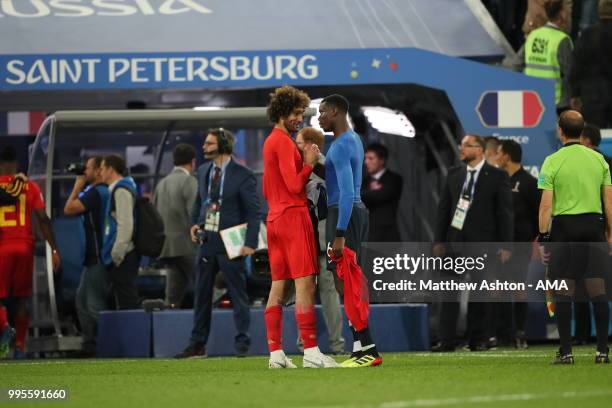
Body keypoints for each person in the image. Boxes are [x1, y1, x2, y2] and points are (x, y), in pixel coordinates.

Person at [263, 85, 338, 369]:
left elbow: (270, 185)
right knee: (306, 284)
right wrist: (308, 164)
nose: (299, 119)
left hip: (275, 219)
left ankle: (276, 355)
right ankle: (311, 352)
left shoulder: (271, 142)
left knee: (278, 286)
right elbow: (296, 184)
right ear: (282, 112)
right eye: (296, 113)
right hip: (294, 218)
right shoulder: (282, 142)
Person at [175, 128, 260, 358]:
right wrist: (195, 223)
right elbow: (199, 203)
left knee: (238, 295)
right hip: (207, 241)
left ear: (223, 145)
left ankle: (242, 341)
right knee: (201, 295)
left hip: (232, 242)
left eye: (209, 144)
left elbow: (254, 213)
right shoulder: (203, 171)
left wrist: (250, 243)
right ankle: (197, 344)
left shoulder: (243, 174)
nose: (204, 148)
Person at [537, 110, 610, 364]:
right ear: (582, 130)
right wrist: (610, 233)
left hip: (565, 229)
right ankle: (602, 351)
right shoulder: (599, 160)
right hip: (593, 226)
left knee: (564, 290)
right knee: (597, 288)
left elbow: (546, 206)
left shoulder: (552, 161)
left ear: (560, 130)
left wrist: (544, 237)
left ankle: (566, 352)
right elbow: (608, 200)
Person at [432, 135, 513, 352]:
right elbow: (443, 209)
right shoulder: (454, 174)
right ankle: (446, 340)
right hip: (454, 243)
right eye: (461, 144)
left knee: (479, 293)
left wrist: (505, 245)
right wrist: (439, 240)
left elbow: (504, 213)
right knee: (448, 291)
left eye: (467, 145)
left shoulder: (497, 176)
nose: (462, 148)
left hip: (482, 242)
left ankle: (478, 339)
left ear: (480, 150)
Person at [318, 94, 382, 368]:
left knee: (349, 281)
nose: (318, 117)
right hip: (347, 211)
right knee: (346, 281)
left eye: (321, 112)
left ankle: (367, 349)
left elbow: (345, 193)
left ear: (334, 111)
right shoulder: (350, 139)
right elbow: (336, 181)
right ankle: (361, 347)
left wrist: (340, 232)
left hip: (345, 214)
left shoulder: (342, 145)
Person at [0, 146, 61, 359]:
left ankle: (6, 328)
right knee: (22, 299)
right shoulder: (30, 186)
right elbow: (43, 219)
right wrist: (54, 249)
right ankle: (19, 346)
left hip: (2, 247)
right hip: (25, 247)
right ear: (16, 164)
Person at [295, 127, 345, 355]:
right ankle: (330, 344)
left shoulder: (324, 167)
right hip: (312, 238)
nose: (295, 146)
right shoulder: (309, 167)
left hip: (319, 238)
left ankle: (311, 344)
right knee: (320, 291)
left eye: (298, 142)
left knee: (314, 291)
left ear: (310, 145)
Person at [63, 156, 109, 357]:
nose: (85, 171)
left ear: (100, 171)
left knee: (92, 305)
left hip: (98, 256)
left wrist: (78, 184)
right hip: (92, 257)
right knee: (82, 302)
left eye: (88, 168)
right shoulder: (102, 192)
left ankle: (106, 346)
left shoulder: (96, 193)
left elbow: (69, 208)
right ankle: (91, 345)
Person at [497, 140, 540, 349]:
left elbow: (540, 213)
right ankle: (501, 333)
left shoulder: (529, 182)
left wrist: (532, 237)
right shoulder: (498, 180)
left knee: (518, 287)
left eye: (498, 153)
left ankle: (520, 332)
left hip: (520, 245)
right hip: (499, 245)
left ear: (506, 156)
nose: (496, 157)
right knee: (498, 288)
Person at [153, 144, 198, 308]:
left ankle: (167, 328)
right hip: (188, 247)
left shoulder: (161, 183)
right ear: (193, 162)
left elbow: (154, 215)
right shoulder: (189, 181)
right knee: (205, 287)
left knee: (172, 297)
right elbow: (195, 213)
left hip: (167, 248)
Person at [101, 155, 141, 310]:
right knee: (122, 298)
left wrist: (116, 255)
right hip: (123, 254)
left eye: (103, 168)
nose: (100, 173)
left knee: (127, 301)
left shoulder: (122, 190)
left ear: (111, 169)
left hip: (124, 254)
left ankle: (134, 333)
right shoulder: (120, 189)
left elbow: (125, 226)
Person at [523, 0, 573, 112]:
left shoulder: (532, 35)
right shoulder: (562, 39)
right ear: (562, 14)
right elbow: (569, 72)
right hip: (557, 101)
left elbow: (516, 64)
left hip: (533, 97)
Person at [569, 0, 612, 128]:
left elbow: (577, 65)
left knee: (593, 139)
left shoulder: (587, 34)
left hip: (591, 95)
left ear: (599, 11)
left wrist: (575, 94)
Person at [361, 143, 403, 242]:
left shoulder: (394, 179)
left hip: (387, 235)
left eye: (371, 158)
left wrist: (365, 193)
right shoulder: (365, 180)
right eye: (366, 158)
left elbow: (381, 195)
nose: (366, 162)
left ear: (382, 160)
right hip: (368, 234)